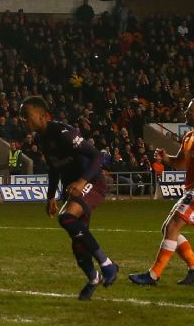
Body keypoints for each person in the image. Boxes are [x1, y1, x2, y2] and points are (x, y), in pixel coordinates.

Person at [19, 95, 119, 300]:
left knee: (67, 218)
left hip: (91, 183)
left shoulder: (62, 132)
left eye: (26, 116)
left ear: (42, 115)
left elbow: (97, 156)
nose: (23, 120)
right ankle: (93, 278)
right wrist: (50, 197)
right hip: (73, 189)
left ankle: (108, 264)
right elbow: (54, 168)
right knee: (79, 245)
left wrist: (82, 181)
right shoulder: (42, 139)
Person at [130, 99, 194, 287]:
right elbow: (180, 163)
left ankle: (153, 276)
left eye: (190, 110)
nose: (185, 112)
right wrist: (165, 159)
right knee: (167, 229)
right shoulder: (190, 136)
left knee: (172, 228)